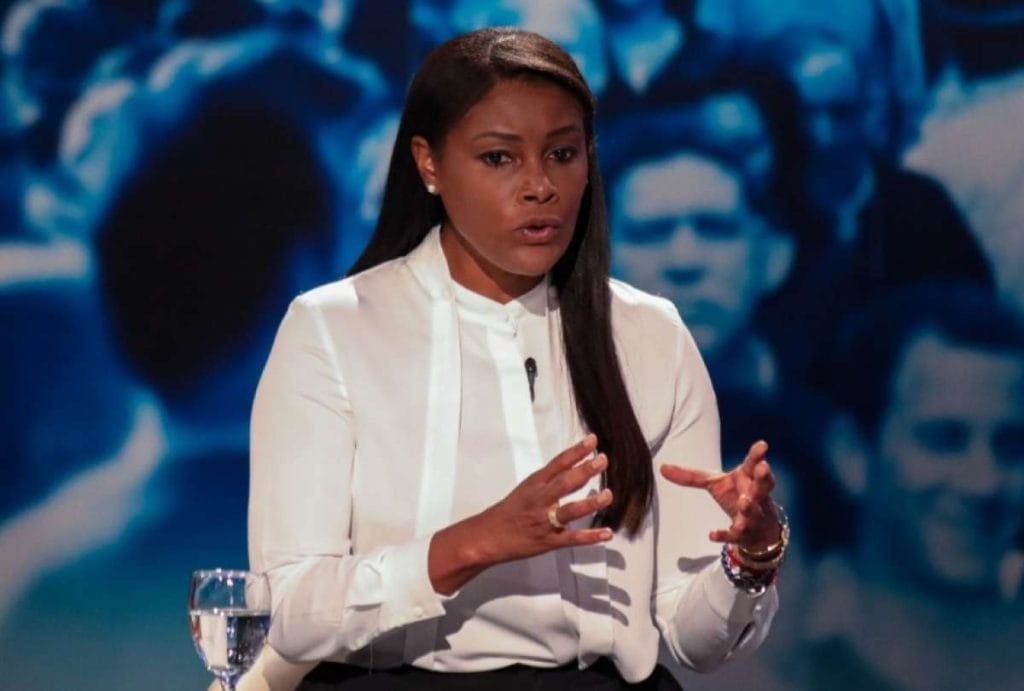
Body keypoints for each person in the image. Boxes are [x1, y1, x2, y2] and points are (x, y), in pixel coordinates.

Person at [246, 28, 786, 690]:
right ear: (429, 163)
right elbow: (289, 609)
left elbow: (691, 639)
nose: (540, 186)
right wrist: (471, 544)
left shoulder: (650, 334)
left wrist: (749, 558)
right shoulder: (335, 328)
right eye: (499, 158)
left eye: (562, 154)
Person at [802, 282, 1024, 690]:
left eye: (1012, 447)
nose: (984, 482)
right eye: (944, 440)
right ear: (852, 455)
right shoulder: (774, 663)